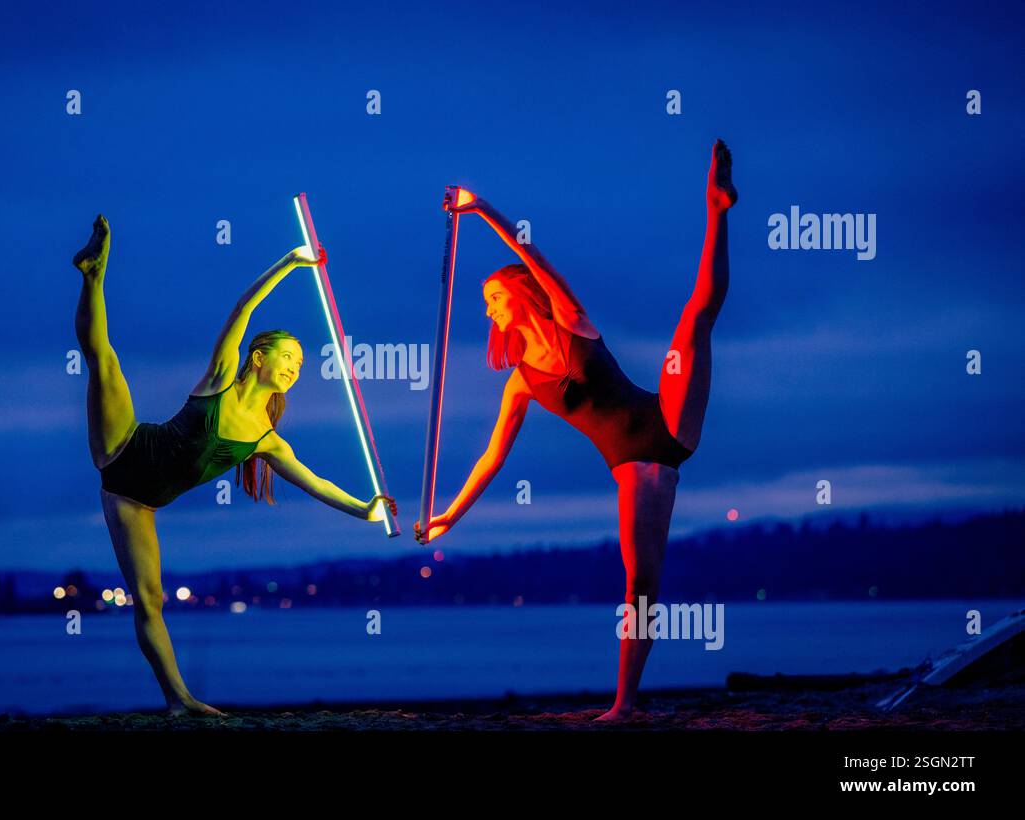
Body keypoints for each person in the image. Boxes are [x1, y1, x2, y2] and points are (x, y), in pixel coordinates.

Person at [414, 139, 737, 721]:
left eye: (493, 297)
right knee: (640, 581)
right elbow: (491, 460)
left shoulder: (571, 320)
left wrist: (481, 207)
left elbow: (534, 253)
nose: (487, 309)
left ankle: (717, 209)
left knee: (696, 317)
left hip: (665, 415)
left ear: (519, 294)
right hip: (634, 462)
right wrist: (447, 516)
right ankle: (626, 705)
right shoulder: (520, 383)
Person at [73, 215, 397, 716]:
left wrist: (366, 510)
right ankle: (94, 274)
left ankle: (178, 701)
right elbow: (245, 306)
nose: (293, 368)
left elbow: (316, 484)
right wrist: (292, 261)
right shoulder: (222, 377)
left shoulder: (267, 441)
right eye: (287, 357)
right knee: (105, 361)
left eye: (300, 366)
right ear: (258, 357)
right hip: (126, 447)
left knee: (150, 599)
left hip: (135, 501)